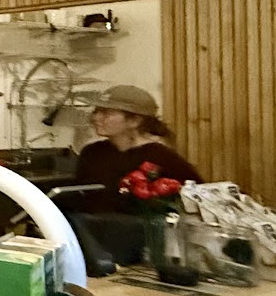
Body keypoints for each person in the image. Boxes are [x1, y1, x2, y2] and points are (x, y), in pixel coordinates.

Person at [73, 85, 201, 214]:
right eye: (96, 111)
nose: (96, 117)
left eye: (107, 113)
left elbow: (198, 194)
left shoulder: (160, 156)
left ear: (134, 121)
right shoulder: (92, 152)